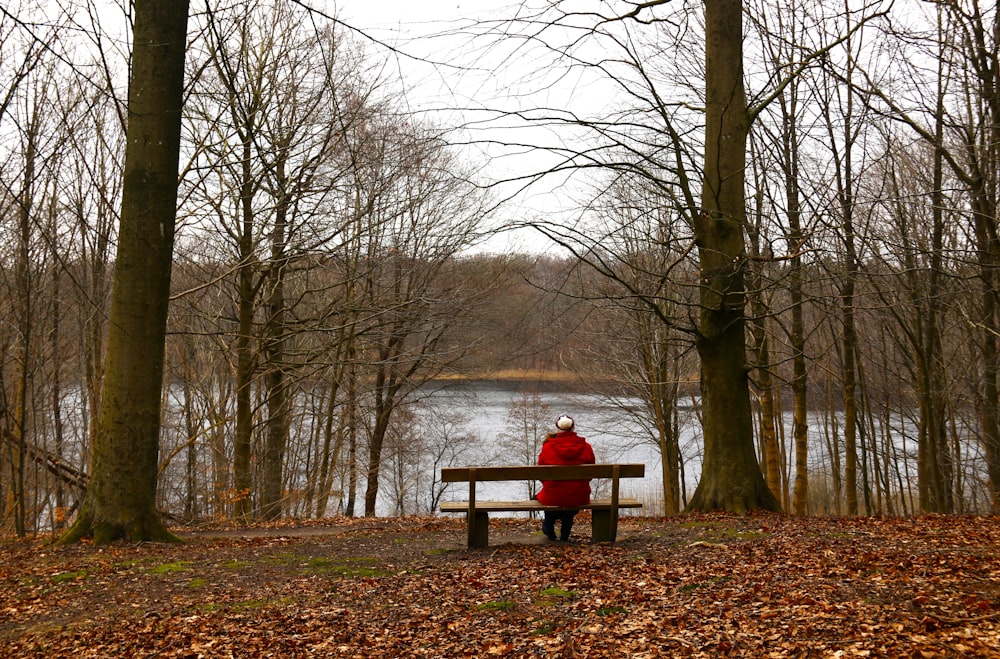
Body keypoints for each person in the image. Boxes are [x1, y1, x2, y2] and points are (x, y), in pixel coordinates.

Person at [536, 414, 595, 542]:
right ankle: (564, 537)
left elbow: (540, 472)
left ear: (557, 429)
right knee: (570, 495)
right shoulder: (586, 446)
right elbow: (590, 474)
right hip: (578, 495)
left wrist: (548, 484)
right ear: (573, 428)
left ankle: (549, 530)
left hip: (553, 495)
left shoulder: (547, 447)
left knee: (551, 495)